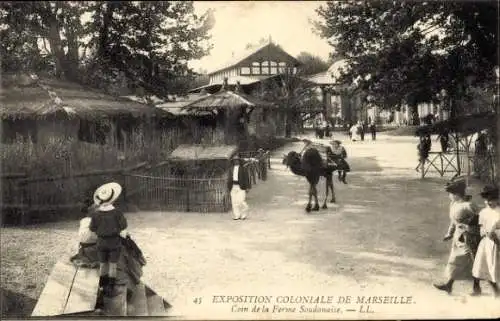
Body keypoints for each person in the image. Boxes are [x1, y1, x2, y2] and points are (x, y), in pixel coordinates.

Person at [433, 177, 481, 294]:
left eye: (450, 193)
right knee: (455, 260)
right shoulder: (453, 204)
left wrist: (470, 228)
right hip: (458, 237)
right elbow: (453, 221)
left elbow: (480, 219)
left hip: (470, 237)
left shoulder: (468, 205)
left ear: (457, 194)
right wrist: (449, 233)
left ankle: (477, 287)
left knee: (473, 261)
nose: (449, 196)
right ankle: (449, 285)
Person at [89, 182, 128, 296]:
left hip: (101, 242)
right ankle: (110, 287)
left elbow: (92, 228)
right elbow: (124, 226)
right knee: (113, 265)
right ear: (113, 198)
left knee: (102, 264)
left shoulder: (96, 214)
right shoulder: (117, 212)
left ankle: (101, 286)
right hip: (114, 242)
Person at [472, 185, 500, 297]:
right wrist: (483, 234)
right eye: (487, 199)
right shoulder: (483, 212)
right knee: (480, 265)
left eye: (492, 199)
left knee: (493, 267)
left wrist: (496, 236)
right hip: (486, 242)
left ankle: (496, 291)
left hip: (497, 241)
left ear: (497, 199)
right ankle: (478, 288)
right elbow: (482, 227)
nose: (489, 202)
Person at [228, 156, 251, 220]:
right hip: (233, 186)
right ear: (233, 162)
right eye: (234, 160)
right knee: (234, 202)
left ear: (239, 161)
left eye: (237, 160)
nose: (236, 161)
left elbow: (246, 178)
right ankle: (237, 215)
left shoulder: (243, 168)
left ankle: (244, 214)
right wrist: (228, 187)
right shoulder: (231, 169)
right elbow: (229, 179)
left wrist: (247, 187)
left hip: (241, 186)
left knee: (241, 201)